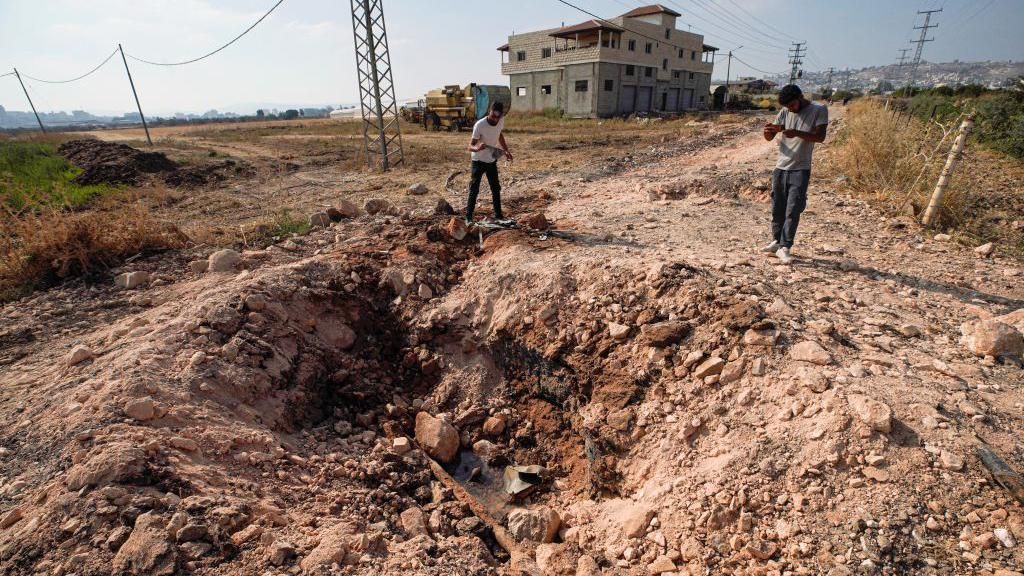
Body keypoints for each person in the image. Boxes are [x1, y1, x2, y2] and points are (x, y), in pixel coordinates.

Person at [761, 84, 828, 264]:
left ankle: (785, 246)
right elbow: (770, 137)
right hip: (781, 166)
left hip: (800, 168)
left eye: (792, 105)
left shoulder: (819, 110)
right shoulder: (784, 112)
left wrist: (797, 133)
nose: (790, 109)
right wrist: (768, 131)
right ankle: (776, 241)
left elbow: (820, 137)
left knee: (793, 209)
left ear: (800, 97)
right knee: (777, 207)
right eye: (787, 107)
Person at [466, 102, 513, 223]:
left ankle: (498, 215)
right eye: (493, 116)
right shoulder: (479, 125)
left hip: (491, 160)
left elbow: (499, 134)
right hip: (478, 160)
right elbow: (470, 146)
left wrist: (506, 150)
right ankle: (468, 217)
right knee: (474, 189)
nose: (495, 119)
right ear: (489, 112)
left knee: (495, 188)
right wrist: (477, 148)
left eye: (498, 117)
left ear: (501, 115)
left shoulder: (501, 121)